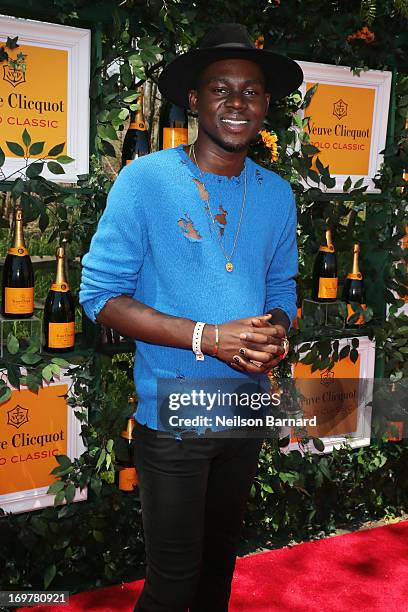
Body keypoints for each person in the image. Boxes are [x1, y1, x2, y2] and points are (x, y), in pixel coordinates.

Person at [80, 22, 302, 612]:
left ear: (266, 105)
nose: (237, 102)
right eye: (220, 88)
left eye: (251, 90)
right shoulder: (145, 180)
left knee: (219, 565)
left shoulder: (277, 194)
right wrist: (210, 337)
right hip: (173, 410)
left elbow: (282, 288)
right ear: (195, 100)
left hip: (245, 403)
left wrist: (274, 330)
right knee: (173, 581)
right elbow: (100, 294)